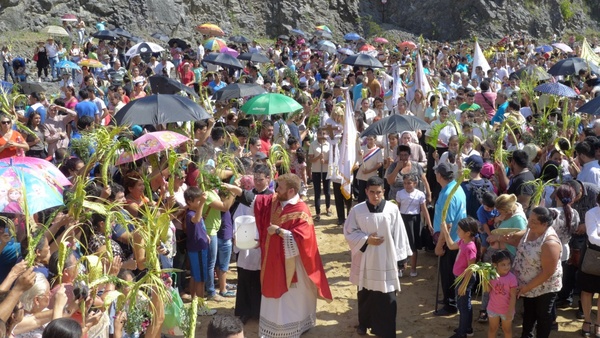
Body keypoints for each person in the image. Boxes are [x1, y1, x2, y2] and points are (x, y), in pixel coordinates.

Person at [236, 173, 332, 337]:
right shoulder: (276, 201)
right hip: (273, 260)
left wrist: (279, 231)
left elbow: (303, 238)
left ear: (291, 191)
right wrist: (237, 192)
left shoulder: (301, 210)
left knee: (292, 298)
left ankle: (293, 326)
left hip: (293, 264)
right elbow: (259, 202)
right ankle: (275, 325)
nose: (276, 190)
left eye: (280, 188)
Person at [344, 176, 411, 338]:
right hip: (366, 258)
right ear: (366, 191)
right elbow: (348, 232)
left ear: (384, 192)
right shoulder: (357, 210)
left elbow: (399, 234)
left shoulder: (392, 209)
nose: (375, 196)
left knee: (387, 296)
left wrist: (402, 259)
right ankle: (364, 323)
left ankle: (385, 330)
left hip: (386, 259)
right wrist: (367, 239)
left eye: (378, 192)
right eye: (372, 192)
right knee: (365, 293)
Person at [502, 207, 562, 338]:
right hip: (527, 284)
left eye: (534, 221)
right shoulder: (531, 229)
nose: (529, 223)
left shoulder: (550, 243)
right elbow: (522, 240)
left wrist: (527, 287)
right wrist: (507, 238)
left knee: (543, 316)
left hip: (544, 287)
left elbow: (548, 272)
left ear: (544, 224)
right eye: (529, 219)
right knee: (529, 313)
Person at [433, 162, 467, 316]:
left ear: (440, 175)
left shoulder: (449, 193)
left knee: (447, 274)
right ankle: (449, 298)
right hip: (455, 239)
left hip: (450, 241)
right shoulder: (454, 188)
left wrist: (440, 245)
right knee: (448, 273)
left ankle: (450, 305)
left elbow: (447, 223)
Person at [439, 217, 480, 338]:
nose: (457, 231)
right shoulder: (463, 241)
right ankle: (467, 328)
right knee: (465, 304)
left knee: (463, 306)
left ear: (468, 233)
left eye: (459, 230)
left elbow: (470, 269)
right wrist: (446, 231)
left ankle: (463, 332)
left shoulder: (470, 247)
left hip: (464, 280)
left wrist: (463, 284)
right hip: (460, 279)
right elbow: (451, 246)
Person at [183, 186, 215, 315]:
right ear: (189, 201)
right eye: (197, 200)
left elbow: (199, 224)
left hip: (198, 247)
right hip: (198, 249)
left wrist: (205, 234)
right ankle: (201, 307)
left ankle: (194, 303)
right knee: (200, 279)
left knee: (195, 277)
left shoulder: (195, 212)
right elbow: (196, 219)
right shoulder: (191, 213)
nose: (200, 202)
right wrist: (202, 203)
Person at [395, 173, 433, 277]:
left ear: (415, 183)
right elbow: (397, 209)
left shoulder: (420, 194)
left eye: (409, 183)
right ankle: (401, 267)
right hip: (403, 219)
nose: (407, 185)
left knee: (413, 245)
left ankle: (413, 268)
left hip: (415, 220)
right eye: (405, 183)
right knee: (401, 244)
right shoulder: (400, 194)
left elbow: (424, 210)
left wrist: (429, 224)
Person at [579, 192, 600, 337]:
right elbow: (592, 238)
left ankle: (598, 323)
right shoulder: (592, 213)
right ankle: (587, 320)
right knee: (587, 290)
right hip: (592, 256)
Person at [487, 250, 518, 338]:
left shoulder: (512, 278)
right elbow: (487, 290)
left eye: (508, 264)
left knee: (507, 330)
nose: (507, 267)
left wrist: (510, 311)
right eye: (503, 264)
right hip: (493, 308)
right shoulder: (491, 275)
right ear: (495, 265)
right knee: (493, 328)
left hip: (506, 310)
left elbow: (513, 296)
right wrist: (485, 280)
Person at [308, 129, 331, 221]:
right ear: (317, 134)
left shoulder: (329, 144)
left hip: (326, 170)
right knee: (317, 192)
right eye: (320, 133)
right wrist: (318, 157)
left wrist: (325, 161)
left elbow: (333, 159)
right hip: (316, 171)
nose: (322, 135)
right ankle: (318, 212)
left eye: (324, 133)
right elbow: (310, 159)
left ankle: (328, 208)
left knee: (327, 191)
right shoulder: (313, 144)